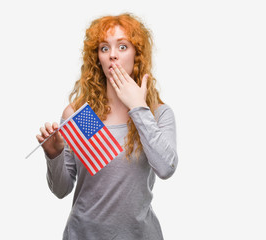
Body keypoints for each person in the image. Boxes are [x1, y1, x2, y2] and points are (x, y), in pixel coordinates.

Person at [36, 13, 178, 240]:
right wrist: (54, 156)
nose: (112, 55)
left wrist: (138, 107)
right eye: (104, 48)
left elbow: (166, 168)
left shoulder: (158, 113)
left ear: (137, 55)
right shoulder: (83, 115)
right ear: (97, 58)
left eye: (122, 47)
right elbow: (62, 189)